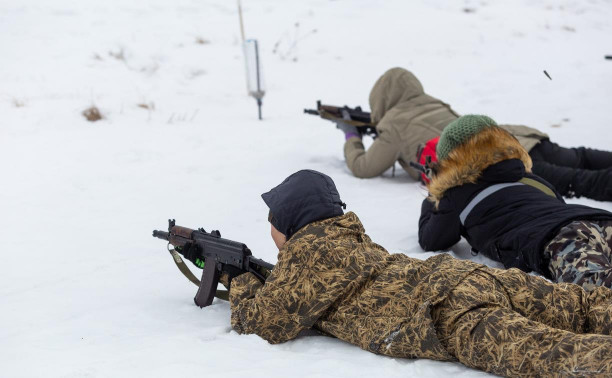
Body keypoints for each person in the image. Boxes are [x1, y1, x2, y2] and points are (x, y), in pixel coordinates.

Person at [228, 169, 612, 377]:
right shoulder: (351, 238)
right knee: (584, 306)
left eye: (272, 222)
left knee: (554, 354)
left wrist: (239, 281)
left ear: (290, 221)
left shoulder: (307, 257)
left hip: (448, 311)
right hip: (472, 278)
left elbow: (263, 323)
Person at [337, 67, 612, 201]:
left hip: (502, 161)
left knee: (579, 181)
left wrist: (352, 137)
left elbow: (364, 168)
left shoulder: (392, 124)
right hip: (515, 138)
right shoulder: (432, 102)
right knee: (580, 157)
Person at [418, 115, 612, 290]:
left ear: (449, 161)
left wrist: (436, 192)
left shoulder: (456, 196)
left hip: (562, 239)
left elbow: (432, 239)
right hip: (597, 219)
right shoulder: (529, 177)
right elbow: (558, 205)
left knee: (599, 293)